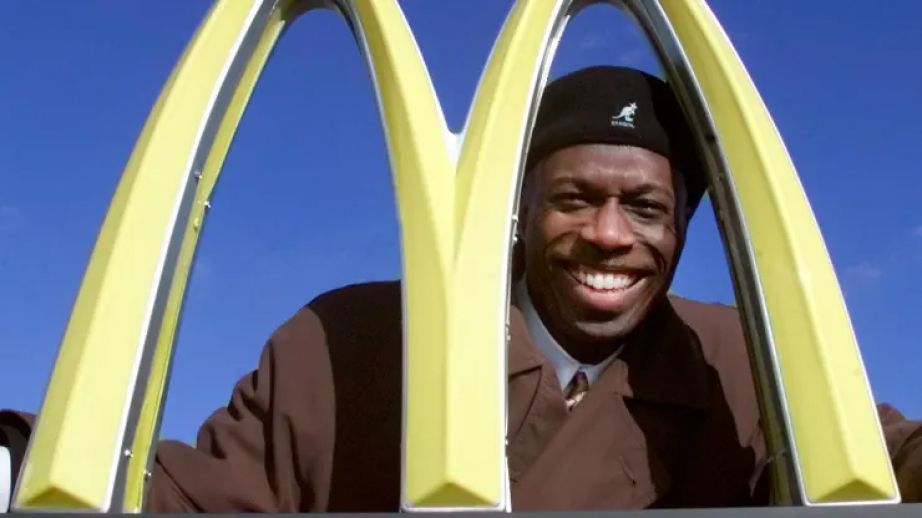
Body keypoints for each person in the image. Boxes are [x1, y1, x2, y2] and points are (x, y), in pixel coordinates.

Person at [1, 66, 920, 512]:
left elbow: (878, 464)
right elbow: (193, 498)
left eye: (644, 207)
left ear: (680, 229)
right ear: (516, 211)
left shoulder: (739, 361)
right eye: (574, 199)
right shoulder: (351, 340)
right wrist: (18, 463)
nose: (608, 233)